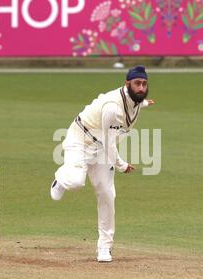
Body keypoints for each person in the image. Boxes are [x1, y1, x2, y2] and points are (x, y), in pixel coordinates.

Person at [50, 65, 155, 262]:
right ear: (127, 84)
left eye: (144, 84)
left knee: (107, 193)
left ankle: (104, 247)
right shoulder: (112, 108)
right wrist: (122, 165)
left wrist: (145, 103)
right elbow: (109, 142)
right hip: (81, 140)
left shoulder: (136, 100)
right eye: (137, 84)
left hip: (102, 149)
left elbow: (135, 105)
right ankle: (60, 179)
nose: (141, 88)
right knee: (75, 183)